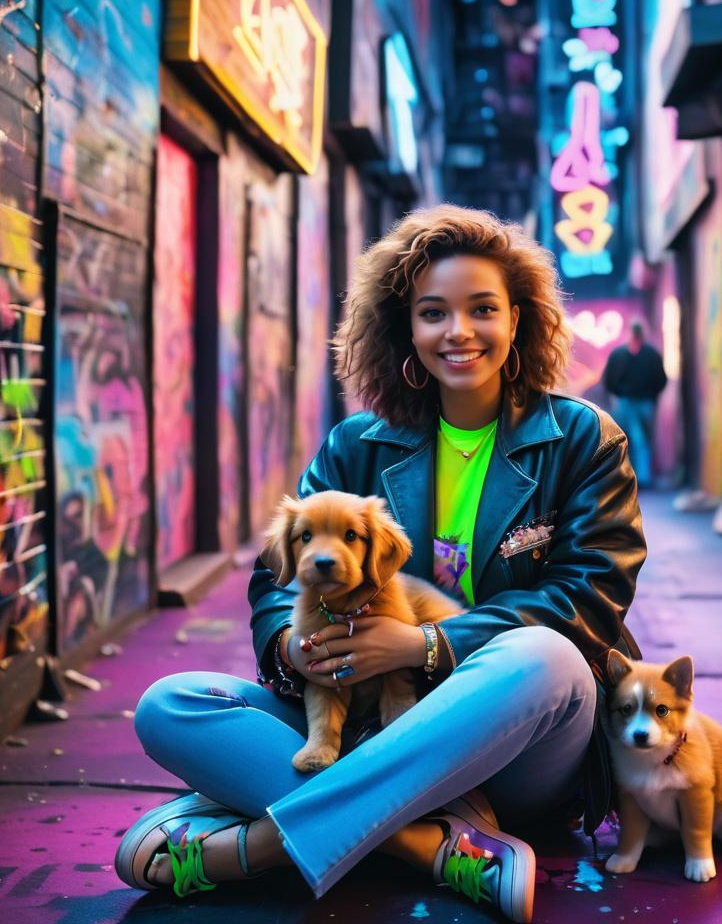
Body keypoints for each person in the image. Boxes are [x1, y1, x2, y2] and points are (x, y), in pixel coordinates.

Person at [116, 206, 645, 922]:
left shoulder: (582, 439)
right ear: (407, 329)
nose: (458, 332)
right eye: (433, 313)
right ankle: (427, 844)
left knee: (546, 656)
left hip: (514, 746)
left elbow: (591, 599)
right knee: (171, 705)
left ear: (518, 318)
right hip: (362, 716)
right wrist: (293, 649)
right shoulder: (356, 445)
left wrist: (428, 644)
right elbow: (277, 579)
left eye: (482, 309)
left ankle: (264, 845)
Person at [602, 320, 667, 490]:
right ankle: (638, 478)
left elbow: (608, 380)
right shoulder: (651, 354)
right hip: (637, 402)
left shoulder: (619, 354)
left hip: (629, 402)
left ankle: (629, 478)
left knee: (627, 440)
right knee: (637, 440)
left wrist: (619, 393)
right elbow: (661, 379)